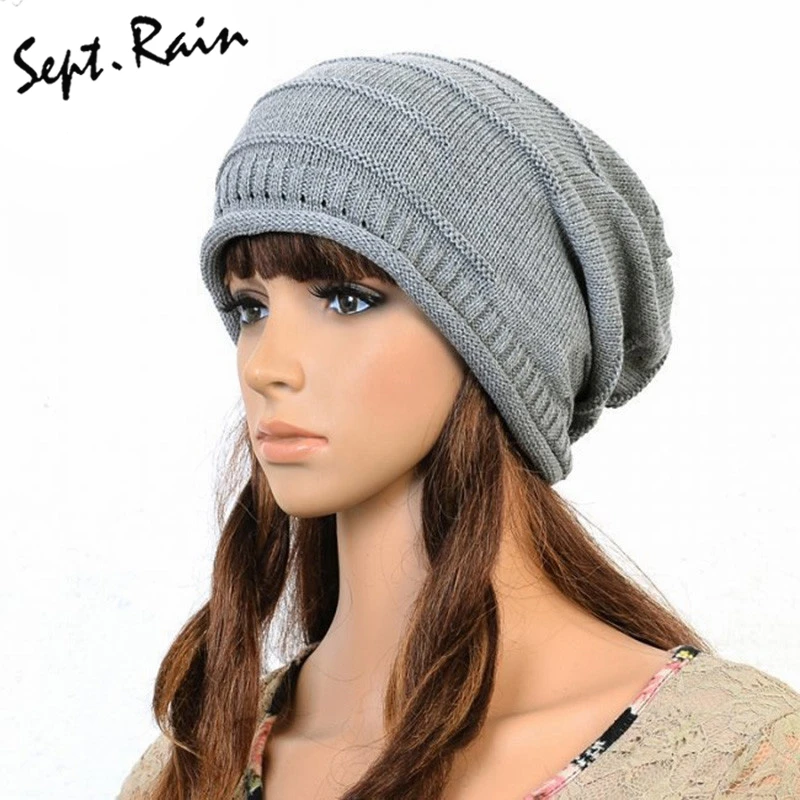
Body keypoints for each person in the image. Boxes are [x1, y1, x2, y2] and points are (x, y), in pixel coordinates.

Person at [117, 52, 800, 799]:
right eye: (251, 306)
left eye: (346, 299)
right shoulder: (192, 765)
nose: (264, 365)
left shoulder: (735, 759)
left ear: (500, 343)